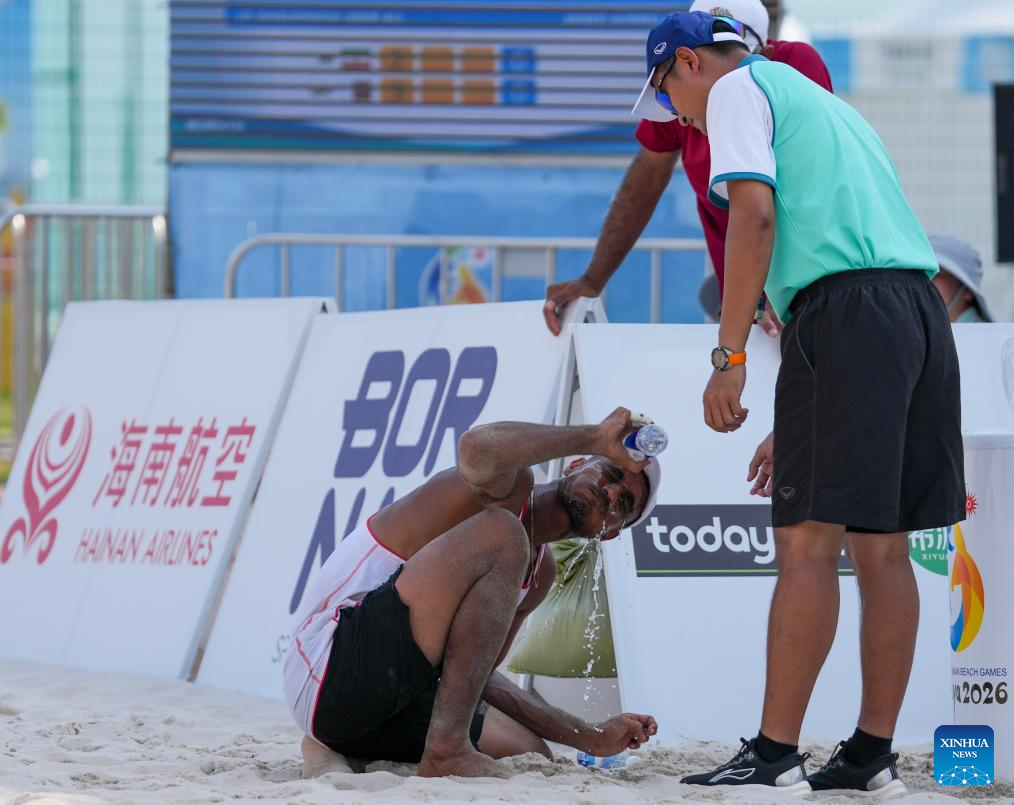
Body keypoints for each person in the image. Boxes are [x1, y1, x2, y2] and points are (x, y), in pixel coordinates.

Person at [633, 11, 963, 797]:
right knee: (883, 547)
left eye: (667, 94)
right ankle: (871, 754)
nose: (676, 116)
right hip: (916, 312)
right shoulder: (822, 103)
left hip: (845, 315)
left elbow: (753, 218)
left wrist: (730, 356)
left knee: (807, 544)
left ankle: (775, 753)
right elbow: (850, 247)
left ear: (689, 63)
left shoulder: (736, 89)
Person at [283, 409, 661, 779]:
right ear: (575, 465)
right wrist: (596, 437)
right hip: (328, 667)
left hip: (380, 701)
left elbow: (475, 676)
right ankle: (445, 749)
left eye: (625, 503)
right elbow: (475, 448)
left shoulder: (541, 574)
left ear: (610, 533)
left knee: (528, 750)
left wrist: (589, 736)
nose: (611, 492)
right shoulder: (506, 489)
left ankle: (332, 746)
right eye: (612, 473)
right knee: (505, 534)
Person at [542, 0, 831, 338]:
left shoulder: (787, 69)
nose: (678, 117)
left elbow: (794, 196)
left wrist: (770, 295)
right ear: (689, 61)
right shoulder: (684, 94)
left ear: (760, 55)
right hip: (758, 304)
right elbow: (645, 180)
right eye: (664, 98)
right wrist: (593, 280)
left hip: (811, 293)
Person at [929, 235, 994, 323]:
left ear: (967, 290)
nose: (923, 282)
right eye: (918, 275)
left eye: (937, 273)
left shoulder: (985, 332)